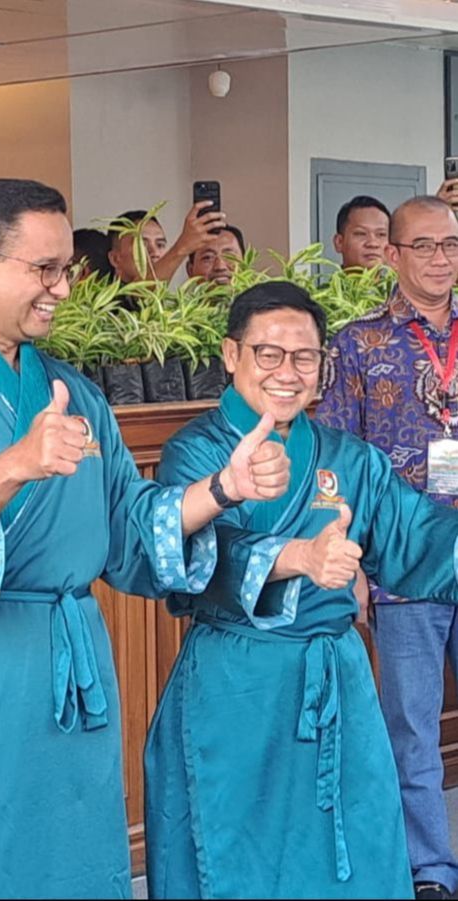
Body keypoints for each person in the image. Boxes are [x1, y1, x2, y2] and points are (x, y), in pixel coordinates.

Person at [0, 178, 291, 900]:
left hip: (74, 667)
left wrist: (222, 487)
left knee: (78, 852)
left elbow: (132, 531)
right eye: (44, 270)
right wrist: (16, 463)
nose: (63, 290)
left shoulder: (72, 389)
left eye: (66, 270)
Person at [144, 279, 458, 901]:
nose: (287, 372)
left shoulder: (351, 458)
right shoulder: (194, 451)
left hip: (337, 676)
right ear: (231, 355)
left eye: (305, 357)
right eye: (269, 354)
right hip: (237, 685)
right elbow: (193, 559)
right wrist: (299, 557)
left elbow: (418, 537)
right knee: (237, 855)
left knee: (354, 846)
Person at [316, 195, 458, 901]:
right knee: (411, 729)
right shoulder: (355, 344)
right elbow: (335, 461)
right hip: (402, 567)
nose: (441, 259)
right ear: (393, 255)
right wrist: (353, 566)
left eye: (451, 245)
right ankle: (430, 871)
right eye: (425, 246)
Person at [108, 202, 226, 285]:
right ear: (115, 259)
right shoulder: (104, 309)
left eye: (160, 245)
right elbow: (139, 294)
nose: (155, 253)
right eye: (142, 245)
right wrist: (183, 247)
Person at [333, 195, 390, 270]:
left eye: (381, 234)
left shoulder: (406, 281)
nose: (373, 244)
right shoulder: (314, 281)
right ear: (339, 242)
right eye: (361, 234)